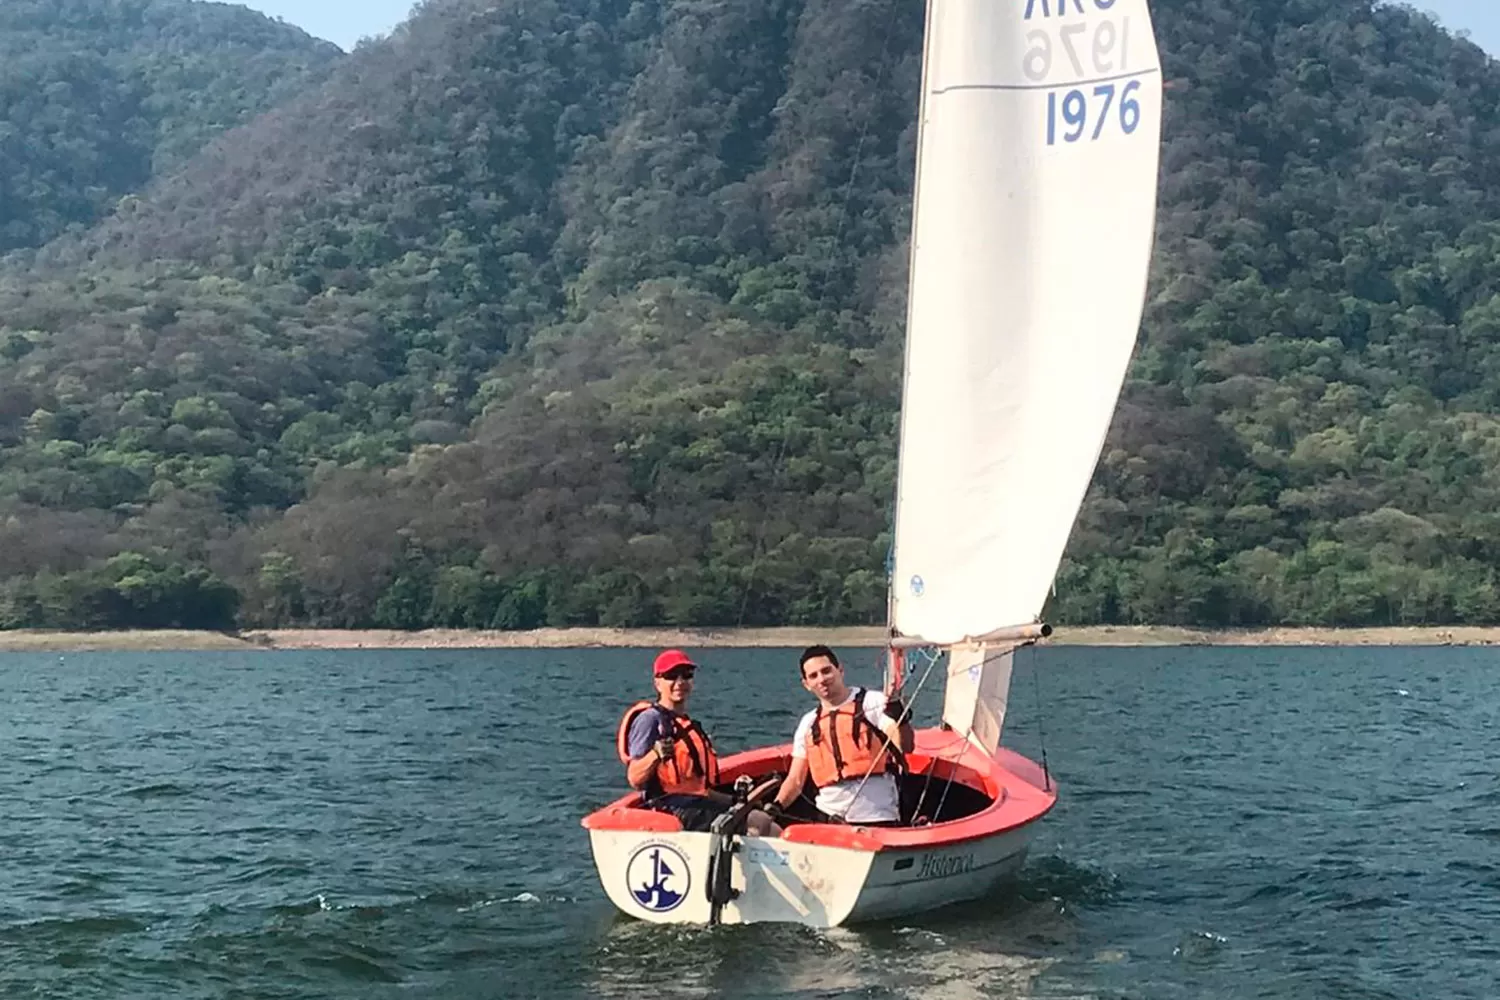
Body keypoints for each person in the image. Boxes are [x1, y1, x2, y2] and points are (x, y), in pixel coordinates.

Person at [616, 649, 781, 836]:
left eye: (686, 675)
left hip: (694, 804)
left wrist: (735, 800)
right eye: (671, 676)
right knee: (758, 821)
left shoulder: (686, 723)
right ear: (658, 683)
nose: (680, 682)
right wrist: (656, 754)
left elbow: (699, 790)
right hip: (670, 808)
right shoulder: (650, 720)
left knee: (772, 827)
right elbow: (634, 778)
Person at [772, 645, 914, 825]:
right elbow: (795, 780)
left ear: (840, 670)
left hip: (877, 816)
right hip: (827, 818)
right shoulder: (808, 723)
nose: (822, 680)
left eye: (826, 671)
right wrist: (775, 808)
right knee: (760, 822)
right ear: (806, 684)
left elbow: (905, 746)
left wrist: (899, 717)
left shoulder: (873, 703)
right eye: (813, 676)